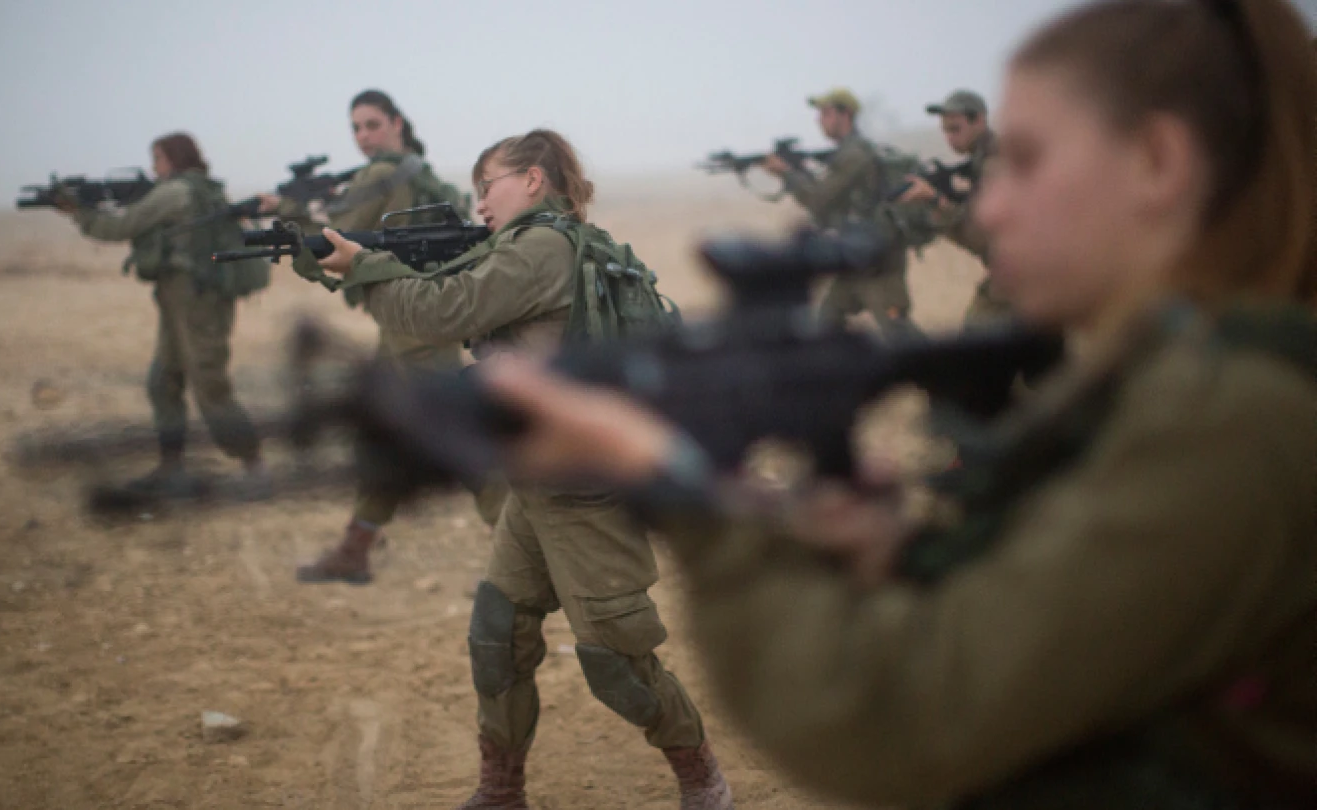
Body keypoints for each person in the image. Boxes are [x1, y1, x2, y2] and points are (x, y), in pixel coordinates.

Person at [474, 0, 1317, 807]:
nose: (990, 205)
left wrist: (688, 496)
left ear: (1158, 161)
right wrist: (910, 555)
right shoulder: (1188, 379)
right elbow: (1092, 626)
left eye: (1024, 161)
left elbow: (903, 718)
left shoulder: (1229, 420)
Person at [308, 129, 735, 809]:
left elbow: (442, 309)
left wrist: (363, 267)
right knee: (497, 637)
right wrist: (345, 262)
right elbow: (443, 284)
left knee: (616, 659)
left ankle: (700, 774)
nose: (479, 202)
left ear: (534, 179)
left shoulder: (542, 248)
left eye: (489, 185)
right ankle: (501, 790)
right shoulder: (528, 245)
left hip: (584, 495)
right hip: (535, 488)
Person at [264, 89, 506, 585]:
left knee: (451, 437)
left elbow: (335, 236)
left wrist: (288, 213)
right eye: (356, 128)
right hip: (421, 314)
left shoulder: (381, 174)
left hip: (412, 326)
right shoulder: (422, 172)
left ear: (397, 123)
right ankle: (356, 547)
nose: (363, 137)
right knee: (390, 435)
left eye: (372, 124)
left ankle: (524, 551)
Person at [58, 133, 265, 490]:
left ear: (174, 158)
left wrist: (80, 212)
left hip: (198, 302)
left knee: (209, 386)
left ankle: (255, 465)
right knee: (163, 382)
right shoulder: (200, 189)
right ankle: (172, 467)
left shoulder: (175, 193)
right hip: (183, 299)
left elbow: (120, 227)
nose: (153, 168)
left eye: (158, 158)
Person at [763, 88, 921, 340]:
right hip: (858, 258)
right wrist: (796, 171)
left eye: (826, 113)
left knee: (900, 333)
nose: (819, 120)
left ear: (845, 115)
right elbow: (830, 201)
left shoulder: (854, 155)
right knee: (825, 324)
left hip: (879, 264)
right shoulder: (847, 153)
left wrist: (787, 174)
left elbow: (819, 200)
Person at [900, 89, 1010, 325]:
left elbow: (984, 238)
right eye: (945, 131)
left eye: (955, 129)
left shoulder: (997, 163)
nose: (949, 138)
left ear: (979, 120)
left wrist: (936, 201)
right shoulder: (984, 158)